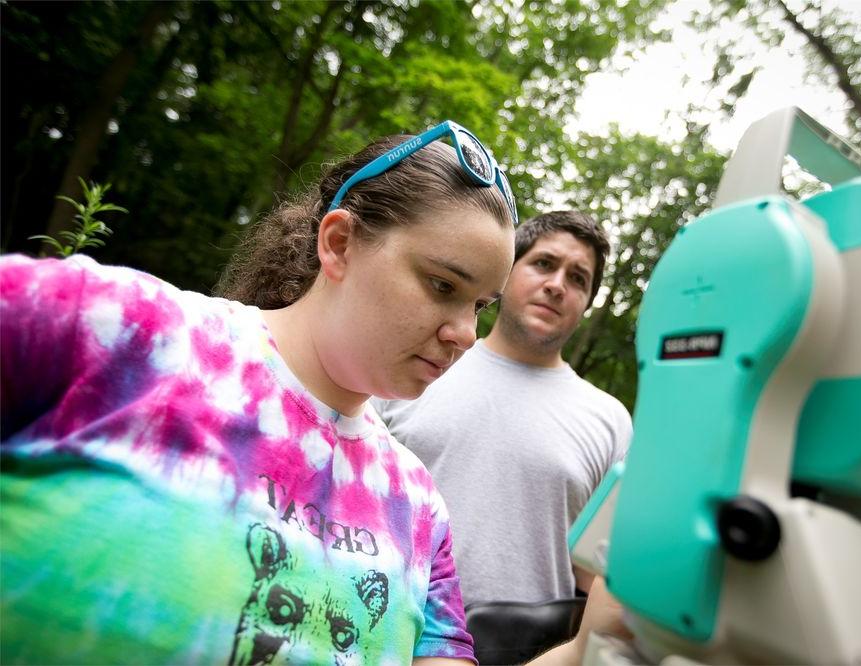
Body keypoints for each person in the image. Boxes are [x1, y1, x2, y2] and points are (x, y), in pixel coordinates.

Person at [1, 121, 531, 665]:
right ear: (340, 244)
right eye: (443, 285)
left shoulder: (418, 506)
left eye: (480, 306)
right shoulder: (121, 331)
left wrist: (589, 642)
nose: (466, 334)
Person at [374, 211, 633, 619]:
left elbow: (595, 572)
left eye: (578, 278)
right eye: (544, 264)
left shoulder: (610, 419)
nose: (556, 285)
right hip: (379, 627)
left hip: (531, 654)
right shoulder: (419, 360)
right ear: (508, 272)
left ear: (585, 304)